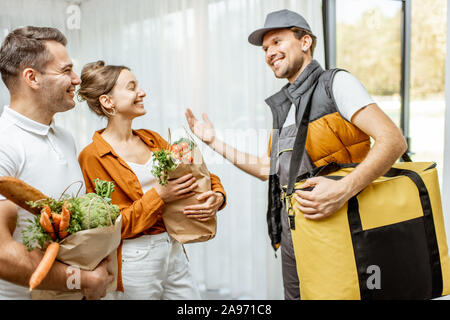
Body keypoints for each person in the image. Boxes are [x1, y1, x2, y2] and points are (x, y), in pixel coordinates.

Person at [185, 9, 407, 300]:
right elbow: (272, 171)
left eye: (277, 42)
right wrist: (214, 141)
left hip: (340, 227)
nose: (269, 53)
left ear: (305, 42)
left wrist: (343, 189)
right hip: (295, 233)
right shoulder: (285, 106)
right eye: (266, 48)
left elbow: (393, 141)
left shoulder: (335, 83)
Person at [77, 61, 227, 300]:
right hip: (134, 259)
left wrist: (217, 196)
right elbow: (112, 226)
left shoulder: (152, 140)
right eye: (131, 87)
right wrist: (160, 196)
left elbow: (199, 174)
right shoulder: (93, 157)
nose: (142, 92)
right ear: (108, 102)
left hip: (174, 248)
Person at [0, 26, 114, 300]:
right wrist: (83, 280)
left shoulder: (65, 137)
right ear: (32, 78)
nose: (77, 79)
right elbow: (2, 254)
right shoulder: (4, 143)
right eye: (66, 70)